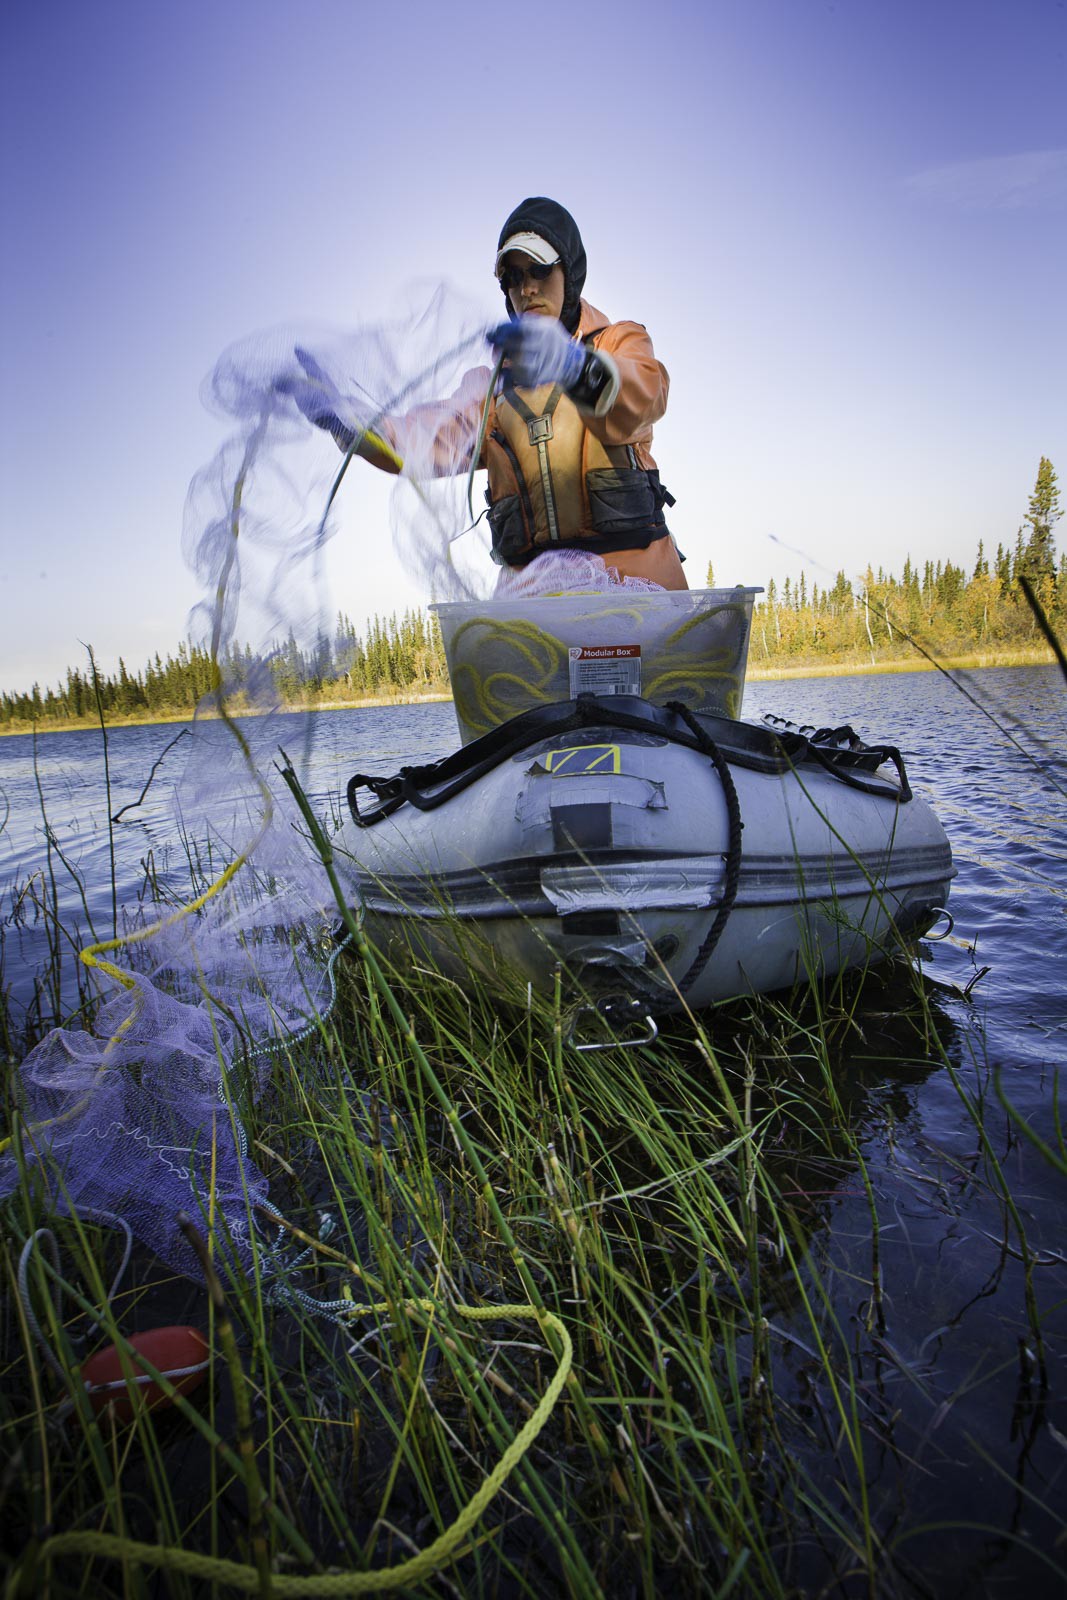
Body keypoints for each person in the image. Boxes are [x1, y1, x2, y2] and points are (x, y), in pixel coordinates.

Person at [285, 197, 687, 592]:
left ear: (571, 273)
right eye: (512, 278)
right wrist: (348, 424)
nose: (527, 288)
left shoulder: (620, 342)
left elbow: (642, 395)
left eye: (539, 270)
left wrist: (569, 365)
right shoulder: (490, 386)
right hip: (533, 601)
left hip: (636, 588)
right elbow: (419, 442)